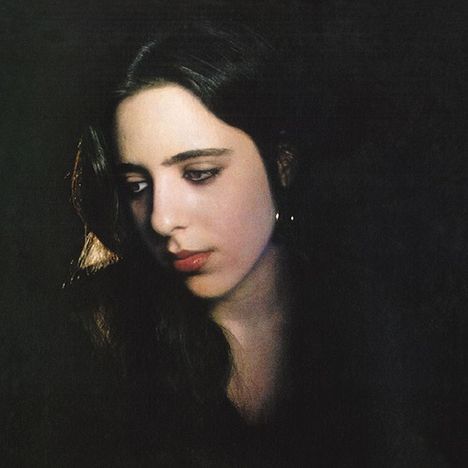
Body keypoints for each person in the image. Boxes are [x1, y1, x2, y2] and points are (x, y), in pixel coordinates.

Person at [62, 19, 449, 467]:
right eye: (136, 186)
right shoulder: (92, 339)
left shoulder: (377, 323)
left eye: (199, 174)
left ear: (281, 164)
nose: (163, 219)